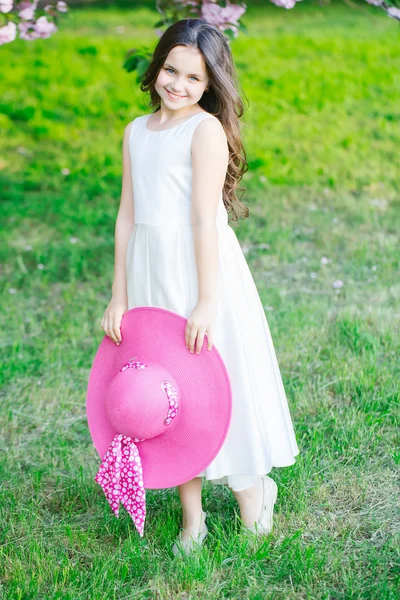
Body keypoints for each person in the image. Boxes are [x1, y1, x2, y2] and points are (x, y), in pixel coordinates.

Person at [100, 17, 300, 555]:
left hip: (198, 270)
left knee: (214, 379)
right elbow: (126, 216)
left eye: (194, 78)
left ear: (210, 85)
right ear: (157, 65)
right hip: (148, 271)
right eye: (171, 70)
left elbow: (203, 220)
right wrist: (120, 294)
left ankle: (253, 490)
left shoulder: (203, 131)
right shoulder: (136, 131)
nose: (178, 85)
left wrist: (207, 301)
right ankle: (193, 518)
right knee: (168, 391)